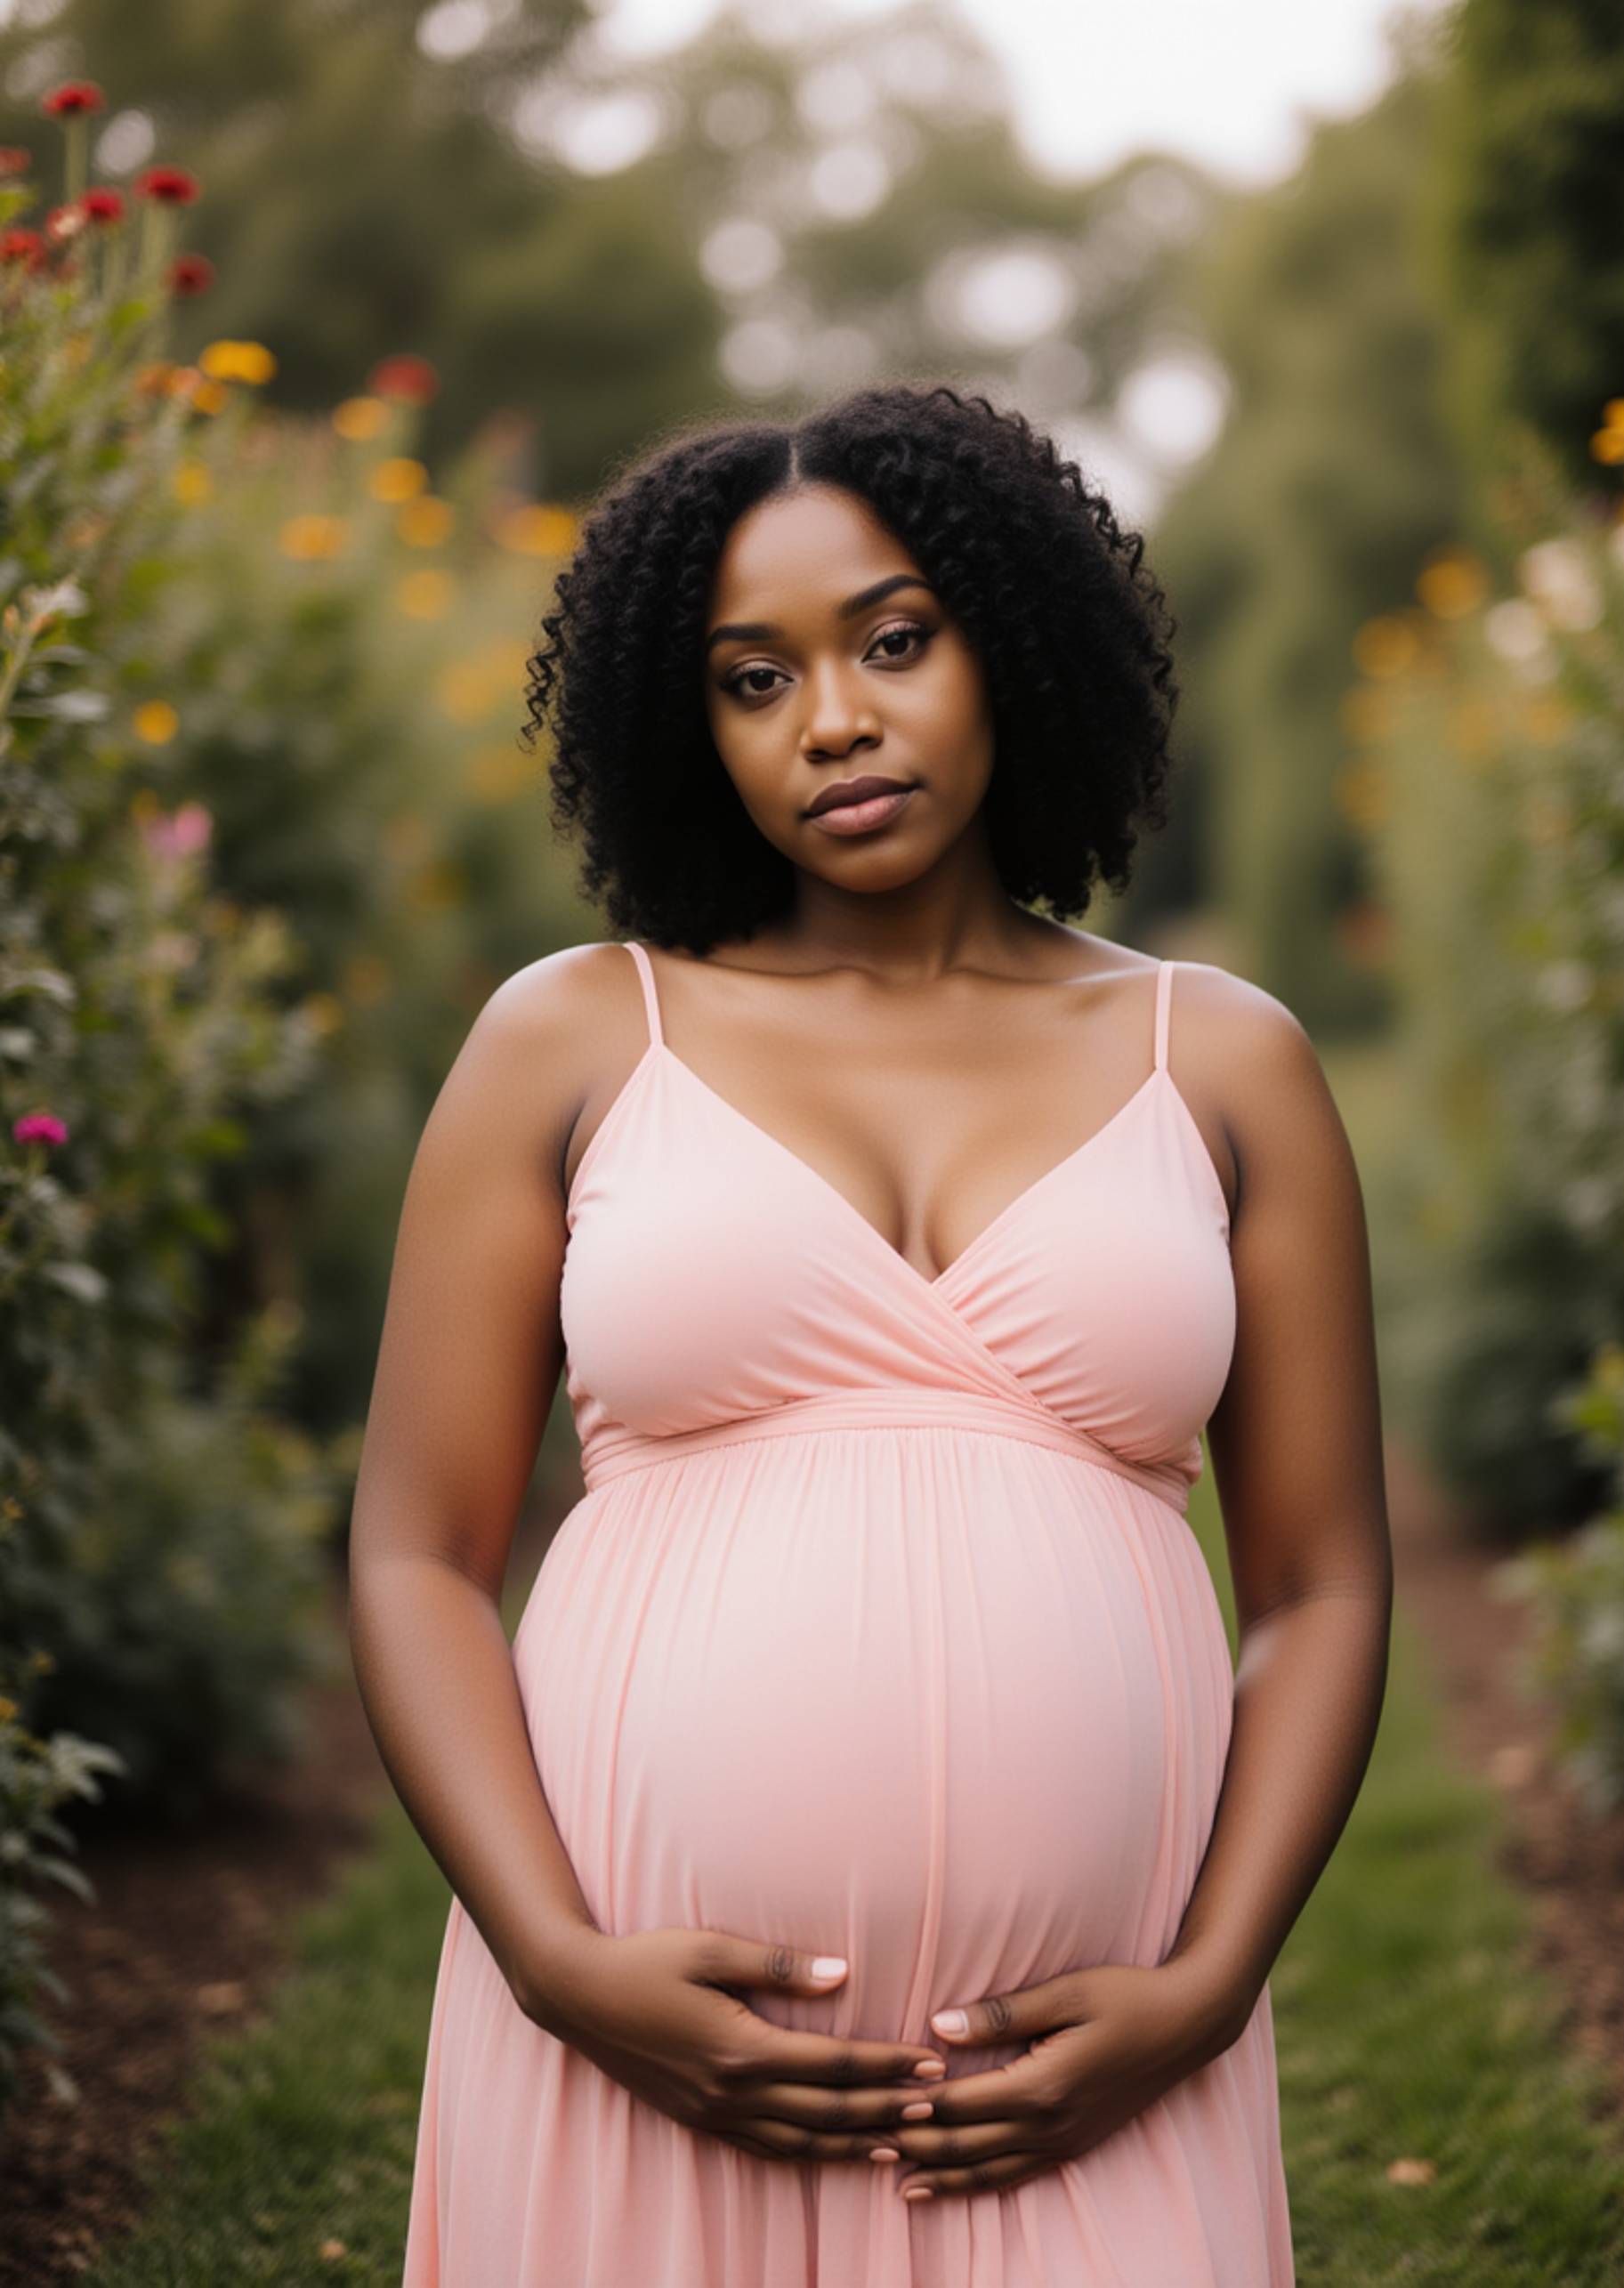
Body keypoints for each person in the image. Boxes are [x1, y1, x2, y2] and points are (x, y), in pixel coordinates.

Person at [350, 381, 1392, 2286]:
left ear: (1012, 643)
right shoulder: (576, 1037)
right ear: (689, 725)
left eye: (893, 640)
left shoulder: (1225, 1058)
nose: (831, 717)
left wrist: (1212, 1981)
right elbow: (418, 1547)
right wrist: (554, 1960)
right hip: (637, 2053)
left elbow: (1320, 1584)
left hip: (1089, 2075)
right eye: (752, 678)